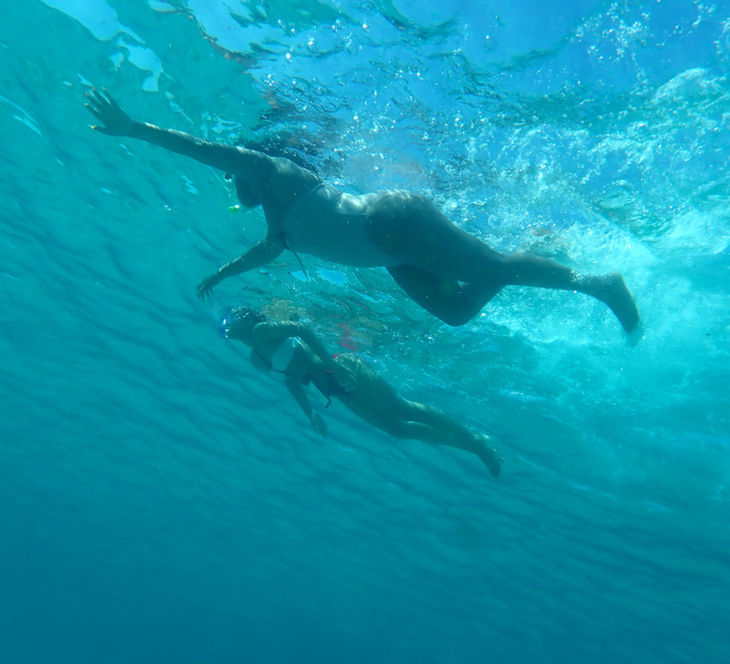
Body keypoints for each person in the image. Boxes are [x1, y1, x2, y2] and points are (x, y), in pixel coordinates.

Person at [85, 88, 641, 335]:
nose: (236, 185)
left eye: (235, 179)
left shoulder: (269, 170)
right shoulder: (275, 219)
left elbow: (202, 150)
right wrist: (222, 273)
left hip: (391, 222)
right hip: (388, 255)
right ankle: (536, 252)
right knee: (458, 312)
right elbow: (267, 250)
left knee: (492, 271)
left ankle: (602, 284)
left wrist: (135, 129)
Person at [217, 306, 502, 476]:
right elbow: (290, 382)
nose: (229, 324)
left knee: (401, 408)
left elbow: (303, 330)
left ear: (246, 317)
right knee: (397, 429)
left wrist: (333, 365)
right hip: (332, 389)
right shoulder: (256, 358)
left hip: (339, 368)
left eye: (232, 318)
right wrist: (310, 414)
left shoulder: (262, 331)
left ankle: (476, 442)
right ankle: (473, 446)